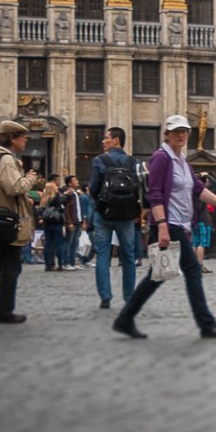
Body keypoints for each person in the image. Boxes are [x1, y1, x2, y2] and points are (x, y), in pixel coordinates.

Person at [111, 115, 216, 340]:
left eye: (184, 131)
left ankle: (124, 319)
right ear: (167, 134)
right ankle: (207, 324)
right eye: (176, 131)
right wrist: (161, 227)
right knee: (192, 270)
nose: (181, 135)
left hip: (179, 224)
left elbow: (198, 189)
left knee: (157, 275)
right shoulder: (161, 158)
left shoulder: (182, 161)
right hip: (169, 224)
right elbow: (155, 194)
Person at [0, 120, 39, 325]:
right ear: (12, 137)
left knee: (3, 267)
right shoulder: (6, 159)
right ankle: (3, 312)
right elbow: (13, 186)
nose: (25, 140)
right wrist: (29, 179)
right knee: (11, 267)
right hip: (6, 221)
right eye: (23, 136)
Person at [87, 128, 143, 311]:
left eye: (106, 138)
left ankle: (105, 296)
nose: (103, 141)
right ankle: (129, 296)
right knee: (128, 255)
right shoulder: (133, 162)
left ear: (116, 140)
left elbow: (93, 188)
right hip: (126, 215)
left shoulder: (100, 160)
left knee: (103, 254)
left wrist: (100, 204)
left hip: (104, 215)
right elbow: (138, 189)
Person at [37, 180, 67, 272]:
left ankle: (48, 265)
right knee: (59, 244)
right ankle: (60, 264)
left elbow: (40, 212)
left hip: (47, 224)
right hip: (56, 223)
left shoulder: (43, 199)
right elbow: (62, 209)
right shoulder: (56, 198)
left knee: (48, 244)